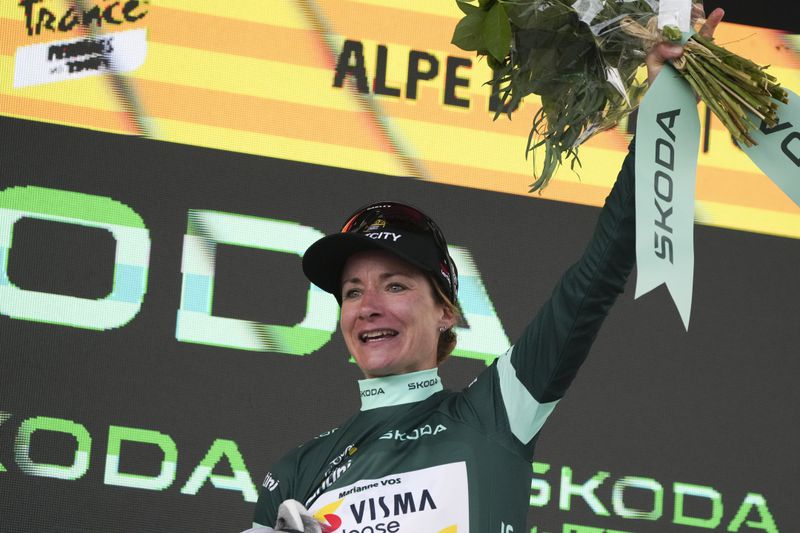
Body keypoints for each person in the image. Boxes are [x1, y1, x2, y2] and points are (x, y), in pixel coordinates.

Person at [247, 9, 725, 533]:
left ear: (446, 312)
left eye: (397, 285)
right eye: (353, 291)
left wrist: (666, 104)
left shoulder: (495, 412)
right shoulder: (295, 475)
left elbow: (599, 271)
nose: (369, 307)